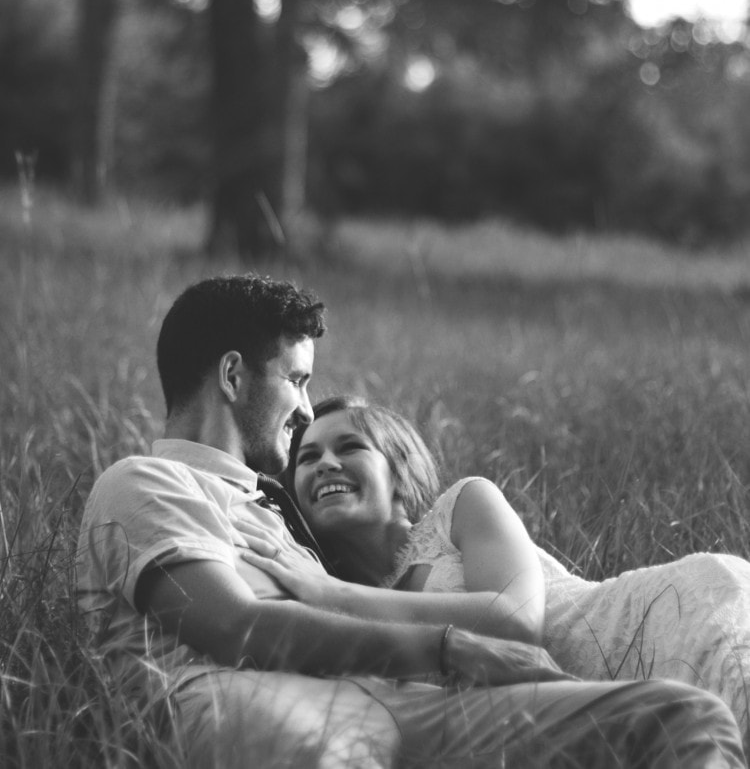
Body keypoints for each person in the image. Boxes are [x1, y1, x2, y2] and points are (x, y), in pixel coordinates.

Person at [77, 276, 747, 769]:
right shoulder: (146, 481)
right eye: (299, 380)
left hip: (402, 703)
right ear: (231, 375)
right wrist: (447, 645)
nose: (308, 409)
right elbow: (235, 624)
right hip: (259, 706)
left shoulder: (282, 519)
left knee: (680, 715)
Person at [242, 395, 750, 750]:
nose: (325, 463)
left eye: (349, 447)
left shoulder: (464, 503)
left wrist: (331, 594)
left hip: (672, 620)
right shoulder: (335, 600)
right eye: (307, 458)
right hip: (601, 713)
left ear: (398, 472)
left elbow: (514, 620)